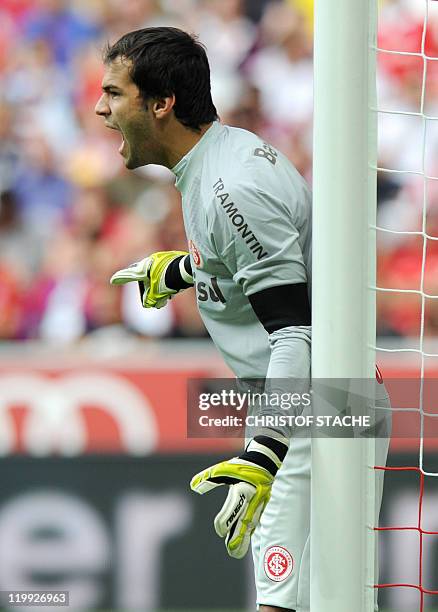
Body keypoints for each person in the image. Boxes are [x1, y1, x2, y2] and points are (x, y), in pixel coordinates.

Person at [95, 27, 387, 612]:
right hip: (312, 406)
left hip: (314, 410)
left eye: (114, 93)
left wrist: (265, 454)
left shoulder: (232, 187)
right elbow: (260, 268)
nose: (101, 108)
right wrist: (182, 271)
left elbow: (295, 331)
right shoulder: (218, 160)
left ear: (161, 103)